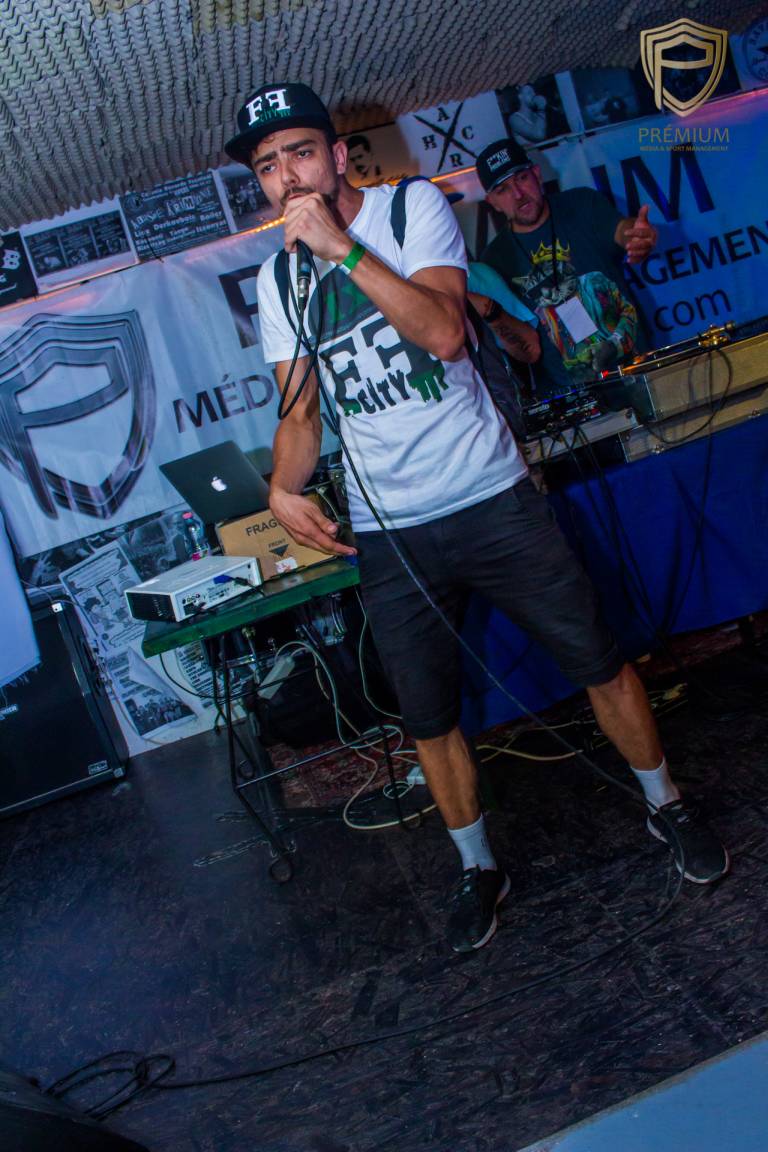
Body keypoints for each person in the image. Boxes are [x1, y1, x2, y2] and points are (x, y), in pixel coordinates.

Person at [224, 84, 728, 953]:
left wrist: (344, 251)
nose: (287, 177)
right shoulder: (279, 280)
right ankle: (476, 866)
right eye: (268, 167)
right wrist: (281, 486)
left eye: (300, 153)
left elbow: (445, 334)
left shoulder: (410, 209)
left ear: (337, 156)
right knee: (427, 715)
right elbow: (301, 412)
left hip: (490, 497)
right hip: (393, 533)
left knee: (598, 660)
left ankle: (666, 804)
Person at [477, 137, 658, 397]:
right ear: (492, 202)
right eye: (502, 190)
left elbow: (622, 230)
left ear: (537, 174)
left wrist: (637, 235)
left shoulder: (582, 204)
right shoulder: (494, 260)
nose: (517, 194)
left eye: (521, 178)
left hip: (636, 370)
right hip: (572, 397)